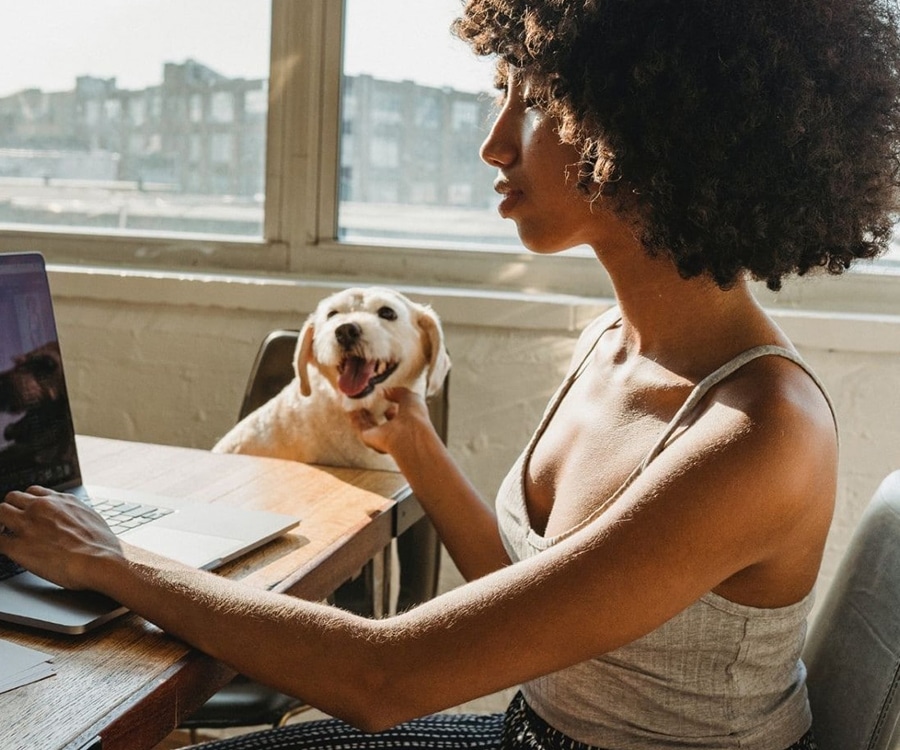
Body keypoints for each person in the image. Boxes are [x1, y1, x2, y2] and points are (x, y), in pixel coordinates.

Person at [2, 1, 900, 748]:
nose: (495, 143)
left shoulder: (759, 433)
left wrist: (113, 560)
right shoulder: (610, 343)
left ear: (662, 129)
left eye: (536, 101)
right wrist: (415, 442)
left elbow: (388, 675)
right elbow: (519, 589)